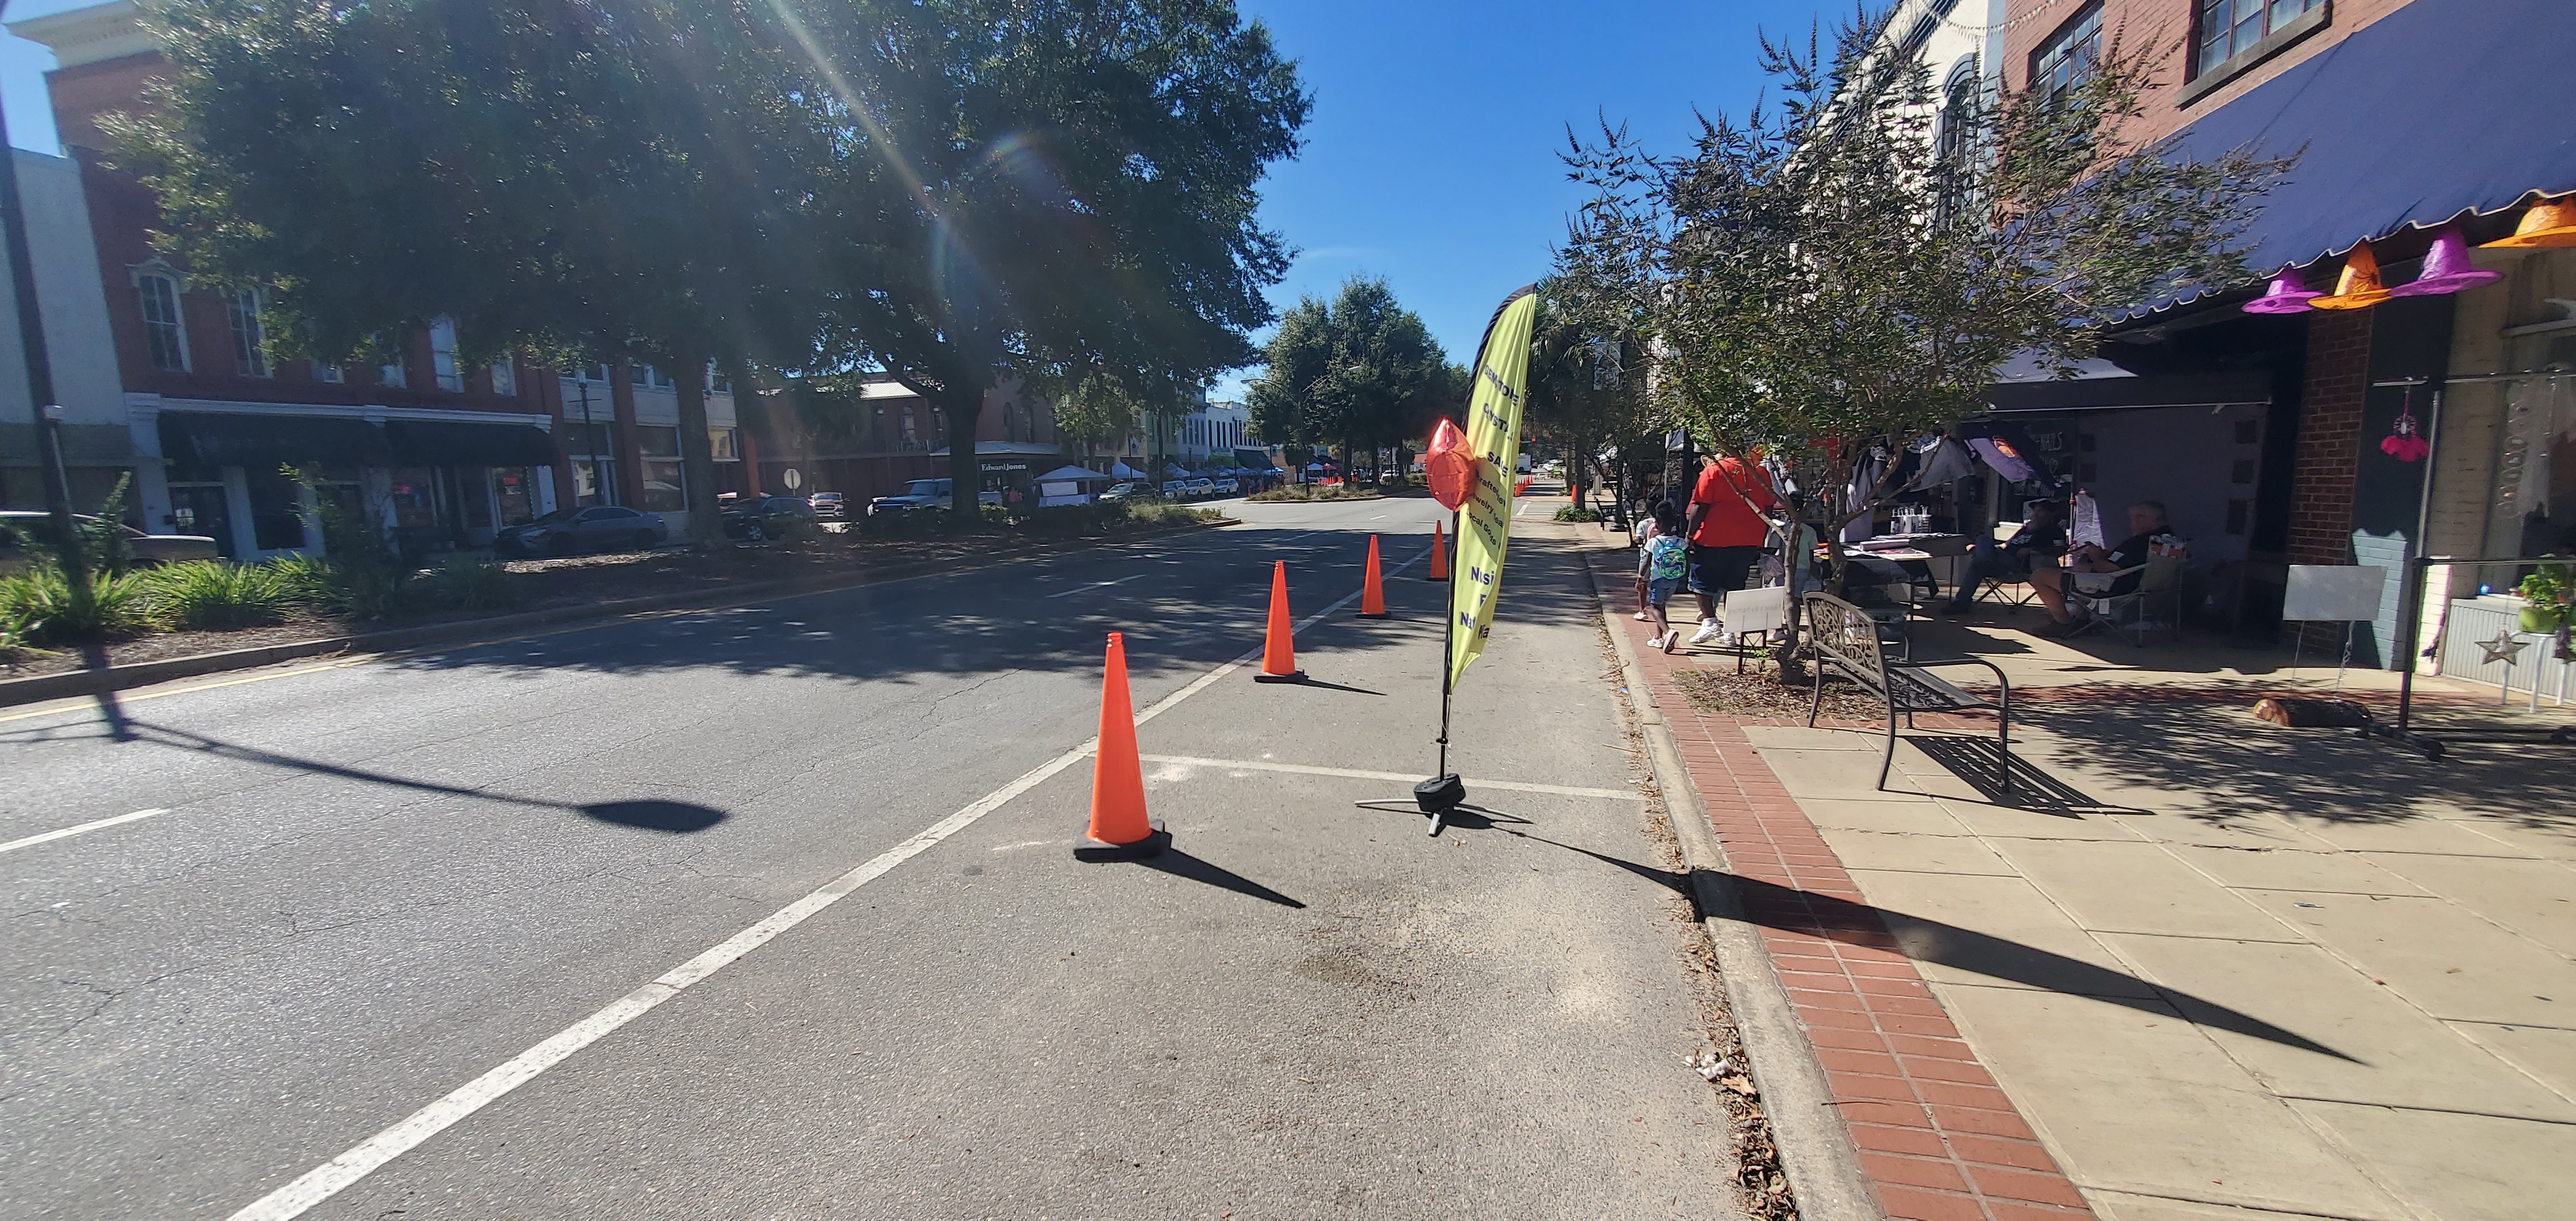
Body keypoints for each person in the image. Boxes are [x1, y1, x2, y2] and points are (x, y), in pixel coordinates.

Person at [2029, 500, 2170, 636]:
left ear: (2144, 519)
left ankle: (2063, 623)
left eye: (2134, 518)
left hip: (2112, 587)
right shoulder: (2167, 539)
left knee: (2040, 576)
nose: (2132, 523)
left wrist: (2096, 557)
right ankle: (2081, 621)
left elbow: (2110, 569)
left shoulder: (2141, 542)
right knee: (2079, 568)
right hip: (2139, 585)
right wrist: (2104, 556)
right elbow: (2125, 560)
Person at [1684, 451, 1778, 645]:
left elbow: (1701, 506)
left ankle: (1710, 623)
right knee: (1735, 585)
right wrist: (1761, 534)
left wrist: (1690, 535)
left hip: (1713, 538)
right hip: (1748, 539)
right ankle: (1730, 631)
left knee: (1701, 582)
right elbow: (1768, 507)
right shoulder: (1760, 472)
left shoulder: (1713, 471)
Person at [1939, 499, 2068, 614]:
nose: (2035, 514)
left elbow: (2060, 550)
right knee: (1982, 542)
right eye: (2034, 511)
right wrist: (1984, 548)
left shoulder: (2054, 531)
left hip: (2018, 565)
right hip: (2000, 560)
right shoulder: (2026, 529)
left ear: (2050, 514)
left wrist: (2033, 550)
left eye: (2040, 511)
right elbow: (2005, 545)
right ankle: (1963, 601)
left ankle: (1962, 603)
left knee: (1979, 560)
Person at [1640, 503, 1690, 652]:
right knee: (1662, 606)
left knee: (1654, 607)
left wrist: (1641, 577)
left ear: (1657, 524)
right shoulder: (1680, 542)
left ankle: (1668, 632)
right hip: (1674, 580)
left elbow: (1646, 562)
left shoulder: (1654, 542)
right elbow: (1689, 558)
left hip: (1658, 579)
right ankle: (1659, 637)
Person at [1631, 505, 1665, 622]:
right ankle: (1661, 608)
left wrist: (1635, 536)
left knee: (1643, 583)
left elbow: (1639, 540)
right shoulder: (1666, 524)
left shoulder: (1644, 524)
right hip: (1662, 557)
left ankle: (1642, 610)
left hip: (1646, 555)